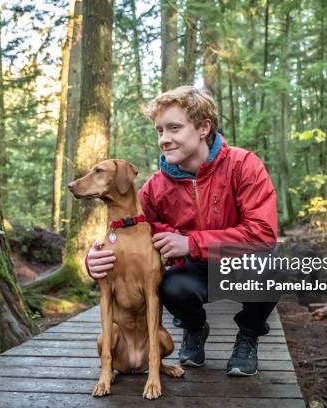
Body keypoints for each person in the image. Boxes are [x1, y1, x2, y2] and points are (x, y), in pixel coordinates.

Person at [84, 85, 278, 376]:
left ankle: (248, 337)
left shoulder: (243, 165)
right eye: (160, 130)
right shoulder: (154, 188)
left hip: (240, 266)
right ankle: (194, 329)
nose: (164, 139)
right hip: (193, 273)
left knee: (273, 267)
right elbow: (123, 233)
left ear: (203, 127)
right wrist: (93, 260)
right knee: (169, 285)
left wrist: (190, 242)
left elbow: (262, 234)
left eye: (174, 128)